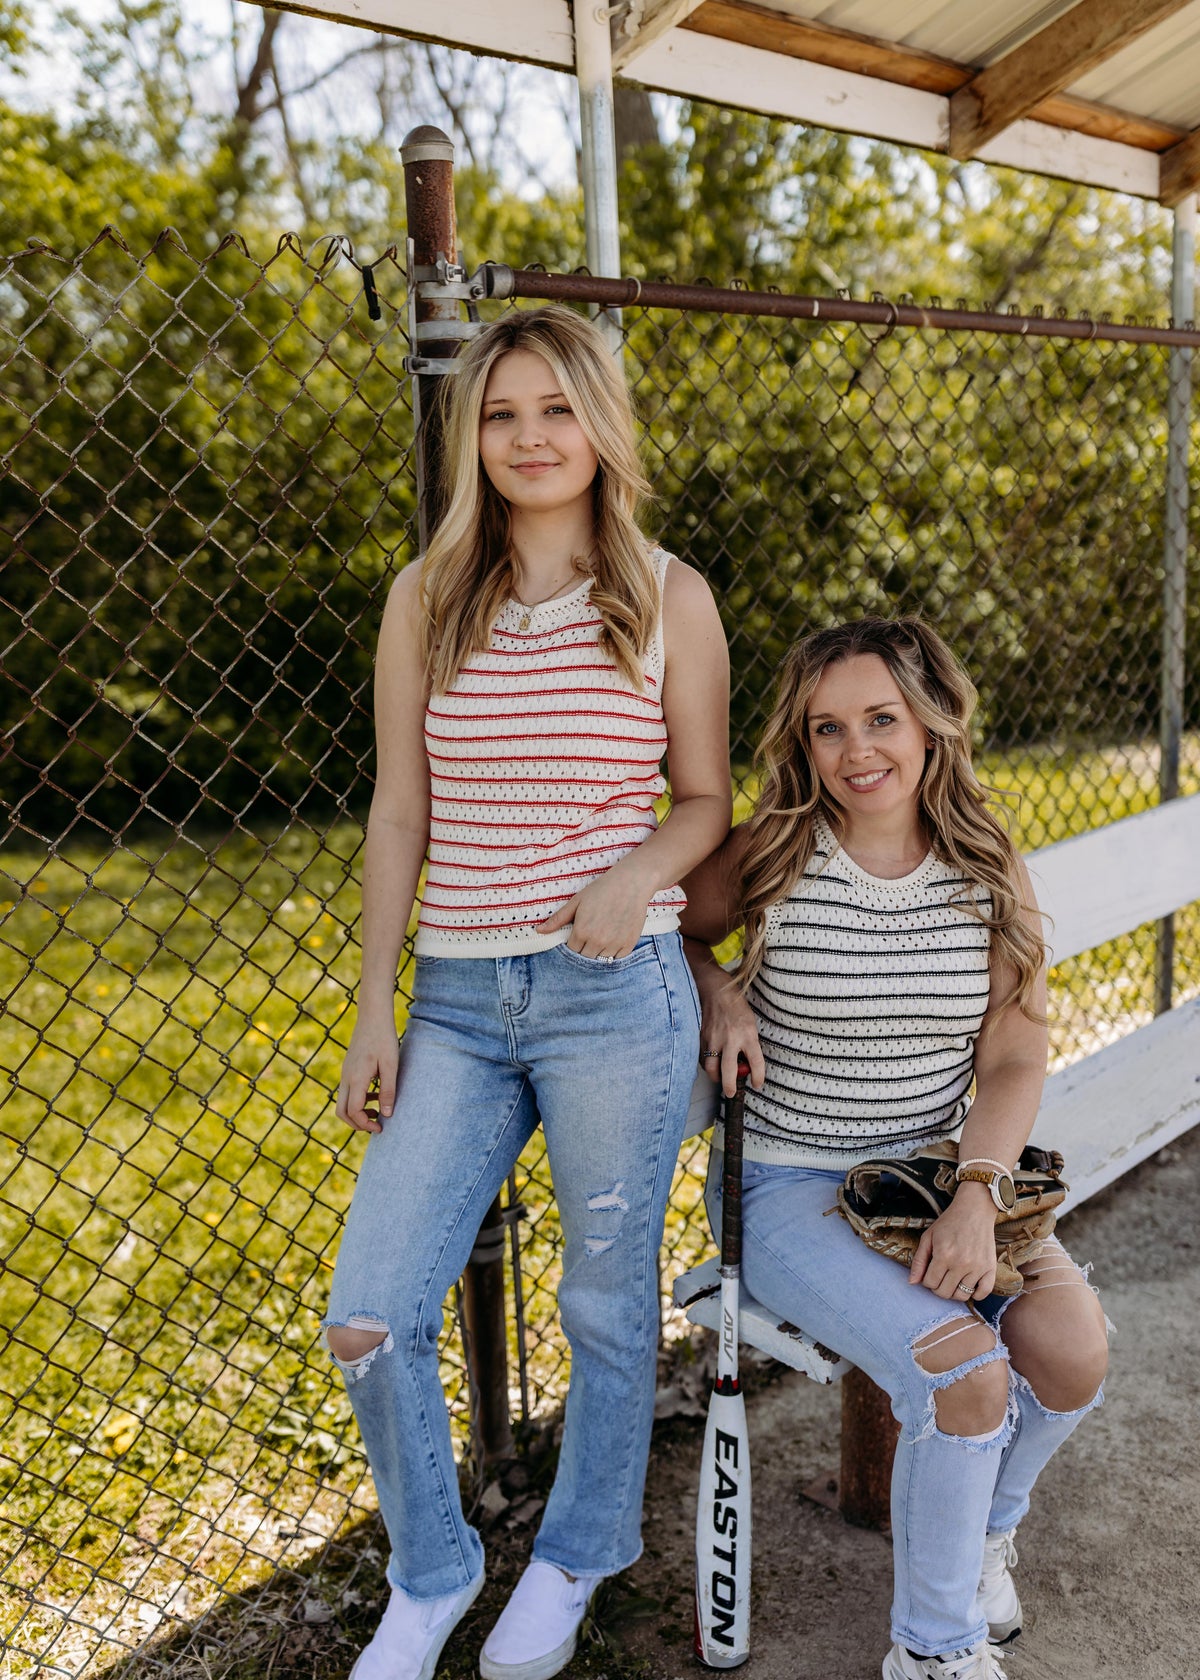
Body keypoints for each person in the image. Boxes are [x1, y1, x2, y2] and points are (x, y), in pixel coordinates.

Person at [324, 304, 731, 1680]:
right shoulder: (427, 598)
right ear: (474, 438)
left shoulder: (668, 595)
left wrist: (639, 876)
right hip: (456, 1004)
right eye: (501, 414)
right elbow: (398, 812)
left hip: (616, 998)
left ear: (600, 425)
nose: (530, 437)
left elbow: (706, 799)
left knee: (606, 1307)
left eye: (557, 408)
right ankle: (432, 1575)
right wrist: (375, 1008)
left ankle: (576, 1554)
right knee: (370, 1316)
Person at [681, 618, 1109, 1680]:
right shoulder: (775, 849)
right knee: (963, 1375)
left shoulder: (985, 863)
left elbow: (1015, 1051)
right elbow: (676, 925)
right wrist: (719, 989)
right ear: (803, 741)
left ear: (930, 724)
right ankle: (932, 1650)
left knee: (1070, 1350)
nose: (856, 750)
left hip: (933, 1179)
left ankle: (982, 1537)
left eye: (881, 719)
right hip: (790, 1187)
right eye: (827, 728)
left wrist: (976, 1195)